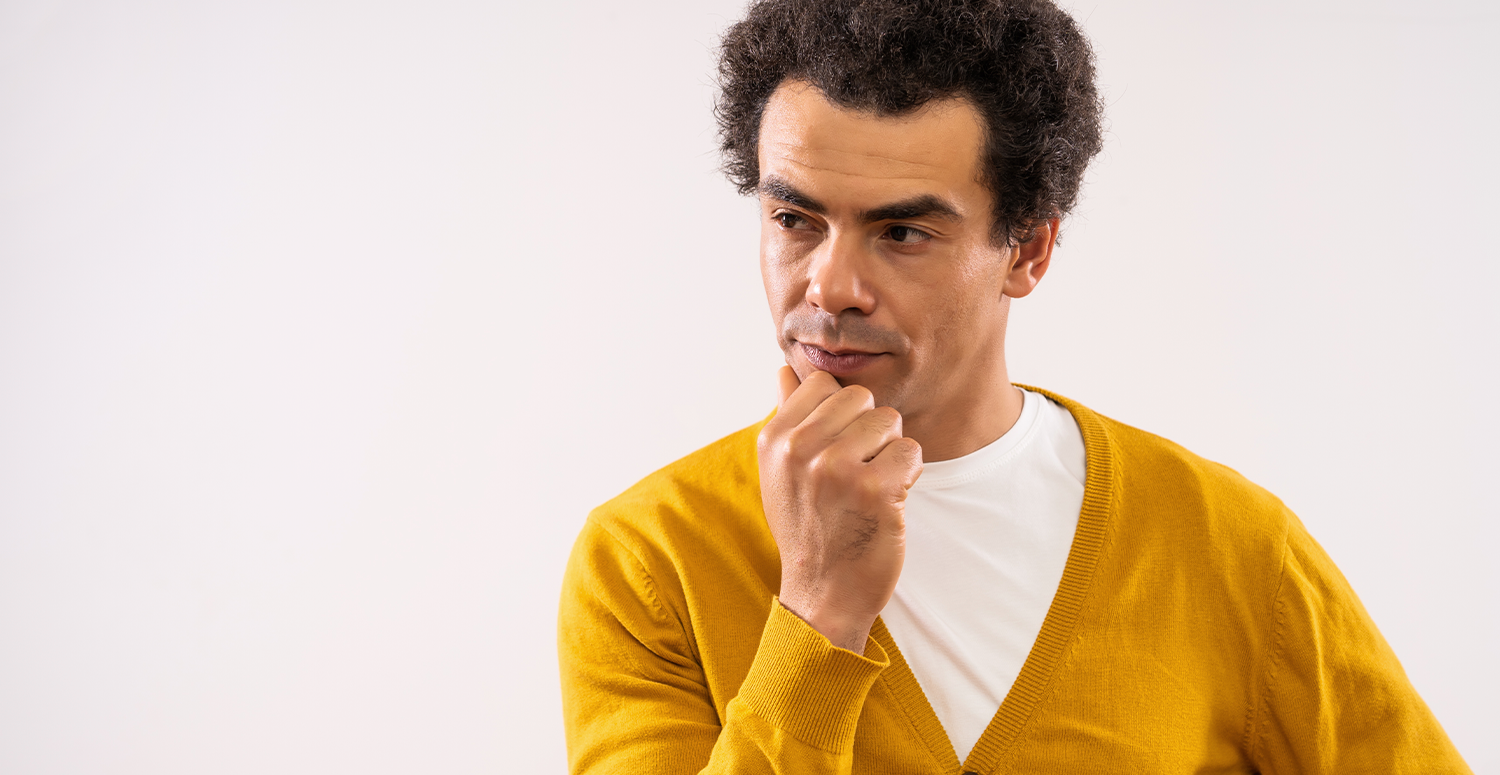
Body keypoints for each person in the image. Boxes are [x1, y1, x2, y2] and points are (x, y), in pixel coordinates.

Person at [557, 0, 1471, 771]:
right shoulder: (650, 564)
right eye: (795, 218)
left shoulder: (1229, 547)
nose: (830, 287)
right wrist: (818, 612)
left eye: (902, 233)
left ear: (1028, 249)